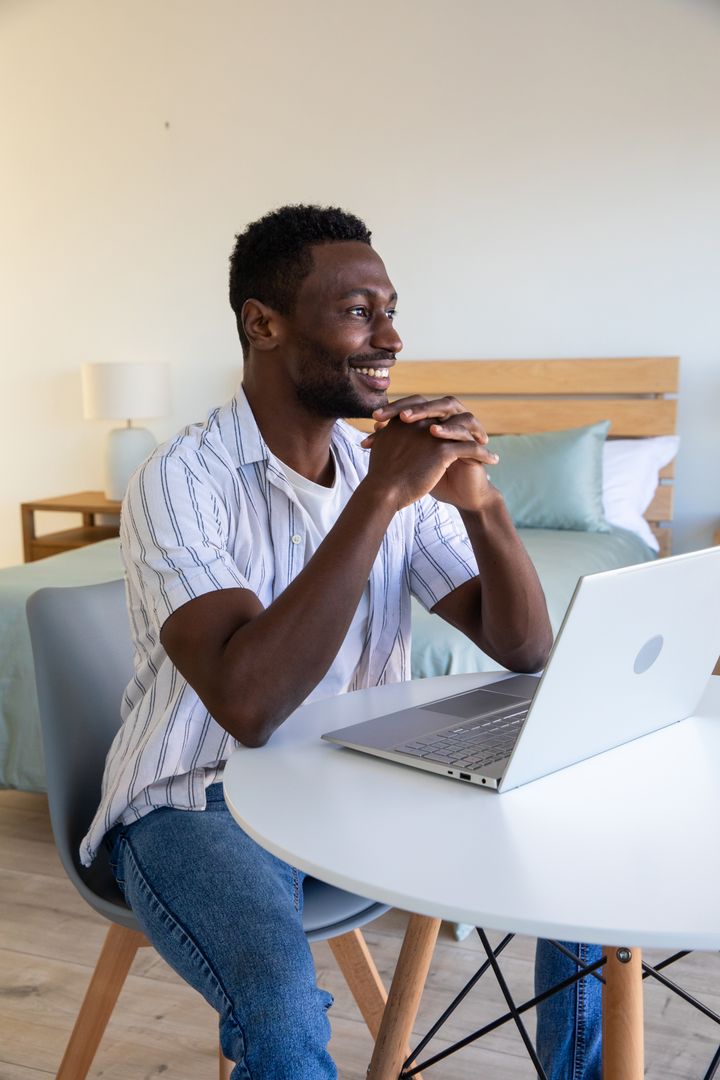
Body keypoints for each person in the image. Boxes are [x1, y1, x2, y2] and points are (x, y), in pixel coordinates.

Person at [81, 203, 594, 1078]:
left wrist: (483, 506)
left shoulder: (383, 468)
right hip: (196, 796)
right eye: (359, 311)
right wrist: (380, 498)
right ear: (264, 324)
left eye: (390, 311)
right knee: (281, 1013)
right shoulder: (179, 480)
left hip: (359, 774)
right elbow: (248, 707)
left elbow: (523, 649)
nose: (390, 338)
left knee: (573, 864)